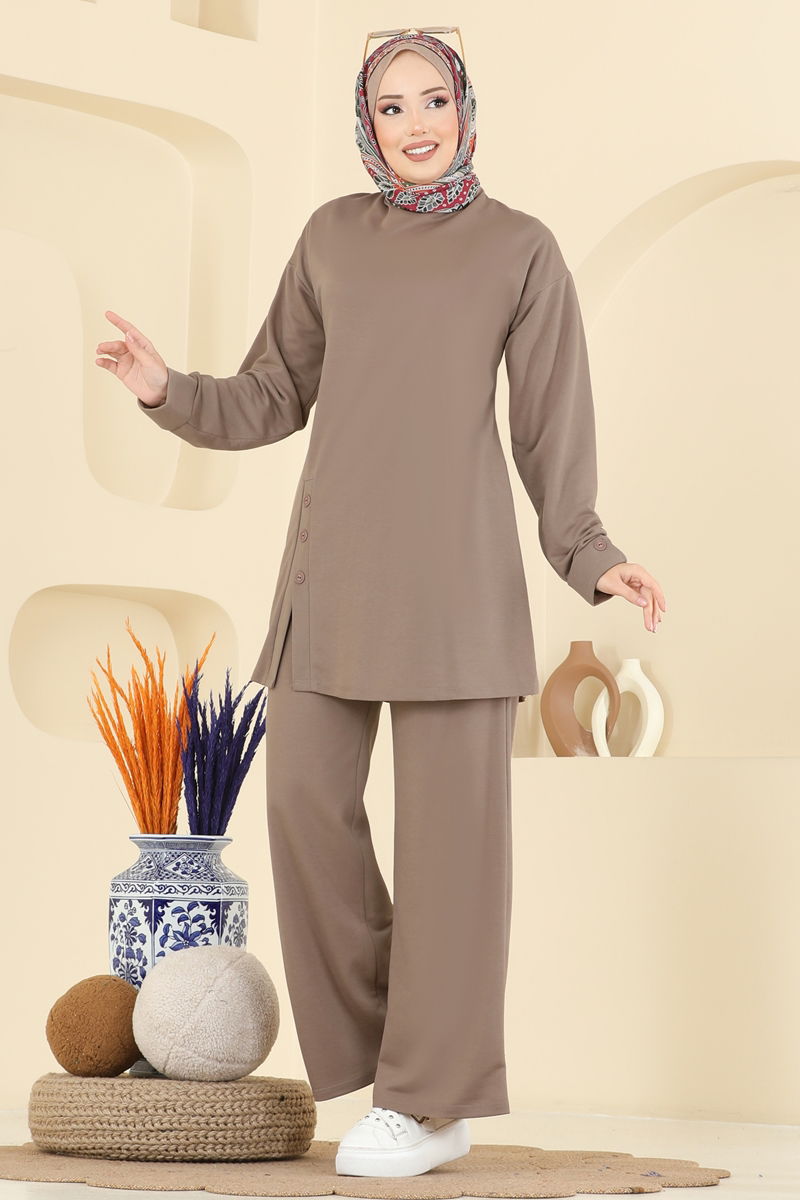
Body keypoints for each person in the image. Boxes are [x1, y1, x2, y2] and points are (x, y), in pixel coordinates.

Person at [95, 27, 666, 1181]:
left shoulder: (519, 250)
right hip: (333, 585)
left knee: (453, 859)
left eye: (432, 99)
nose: (415, 124)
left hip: (458, 593)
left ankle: (427, 1097)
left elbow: (548, 427)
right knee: (303, 807)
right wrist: (167, 391)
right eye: (391, 105)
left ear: (465, 108)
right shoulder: (330, 238)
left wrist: (589, 553)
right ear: (366, 123)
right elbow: (271, 394)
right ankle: (403, 1060)